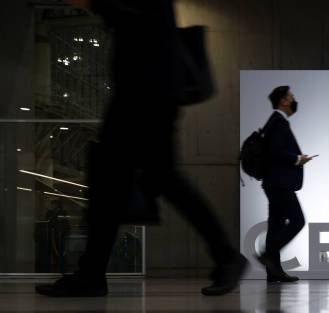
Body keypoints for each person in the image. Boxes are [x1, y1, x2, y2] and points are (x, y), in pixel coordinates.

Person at [36, 0, 246, 297]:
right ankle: (91, 273)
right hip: (142, 88)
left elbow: (126, 14)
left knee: (156, 177)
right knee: (115, 180)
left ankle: (225, 256)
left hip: (147, 90)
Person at [257, 86, 315, 282]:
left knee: (276, 224)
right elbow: (276, 153)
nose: (293, 100)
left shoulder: (274, 122)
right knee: (297, 220)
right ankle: (269, 254)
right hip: (280, 183)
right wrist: (298, 159)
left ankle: (274, 273)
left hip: (273, 182)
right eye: (291, 97)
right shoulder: (279, 122)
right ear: (283, 101)